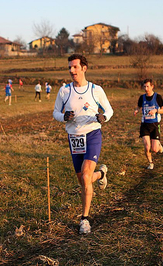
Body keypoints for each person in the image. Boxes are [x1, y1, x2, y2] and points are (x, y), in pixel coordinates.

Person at [53, 54, 114, 234]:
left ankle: (84, 219)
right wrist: (63, 117)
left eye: (75, 67)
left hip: (93, 134)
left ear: (84, 68)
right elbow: (55, 112)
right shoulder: (64, 91)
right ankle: (101, 173)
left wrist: (104, 117)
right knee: (83, 180)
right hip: (74, 138)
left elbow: (109, 109)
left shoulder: (96, 90)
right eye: (70, 67)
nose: (72, 71)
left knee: (86, 177)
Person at [134, 78, 163, 170]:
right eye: (144, 86)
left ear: (152, 86)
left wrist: (156, 110)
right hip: (145, 125)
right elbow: (139, 106)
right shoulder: (142, 97)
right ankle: (150, 162)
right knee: (147, 146)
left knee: (155, 149)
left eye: (148, 86)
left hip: (155, 125)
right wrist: (136, 110)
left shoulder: (158, 97)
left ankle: (159, 145)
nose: (146, 88)